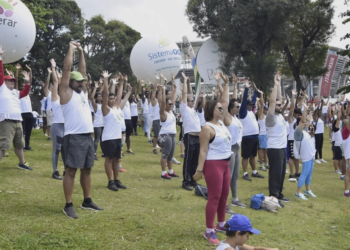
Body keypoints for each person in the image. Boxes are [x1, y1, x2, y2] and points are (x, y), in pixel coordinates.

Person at [59, 41, 103, 219]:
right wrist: (70, 48)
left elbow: (82, 70)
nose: (82, 83)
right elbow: (67, 68)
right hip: (74, 137)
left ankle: (87, 200)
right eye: (78, 81)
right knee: (71, 170)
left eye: (83, 82)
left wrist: (82, 52)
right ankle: (68, 205)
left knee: (87, 169)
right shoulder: (65, 92)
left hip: (87, 137)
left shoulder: (83, 94)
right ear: (70, 81)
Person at [193, 72, 231, 245]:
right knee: (214, 197)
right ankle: (209, 231)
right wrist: (199, 170)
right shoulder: (207, 128)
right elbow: (203, 151)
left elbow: (225, 101)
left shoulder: (221, 123)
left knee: (224, 195)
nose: (221, 109)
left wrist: (226, 83)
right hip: (213, 165)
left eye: (221, 109)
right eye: (218, 108)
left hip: (225, 164)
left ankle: (221, 224)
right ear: (211, 110)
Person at [0, 45, 32, 170]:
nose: (12, 82)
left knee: (19, 144)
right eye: (10, 81)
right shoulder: (2, 88)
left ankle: (22, 162)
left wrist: (27, 82)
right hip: (6, 121)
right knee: (3, 146)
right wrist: (0, 57)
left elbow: (25, 93)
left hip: (18, 121)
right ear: (5, 82)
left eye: (13, 81)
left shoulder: (15, 92)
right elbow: (1, 72)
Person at [101, 72, 127, 191]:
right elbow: (105, 93)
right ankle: (110, 181)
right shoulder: (106, 109)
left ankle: (116, 180)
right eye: (110, 99)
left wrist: (121, 82)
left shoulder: (116, 108)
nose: (112, 100)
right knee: (109, 160)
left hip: (117, 137)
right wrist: (106, 80)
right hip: (108, 138)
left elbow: (120, 94)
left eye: (113, 99)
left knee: (117, 160)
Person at [223, 74, 246, 209]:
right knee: (229, 176)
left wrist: (236, 85)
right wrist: (226, 85)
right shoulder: (227, 118)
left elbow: (234, 99)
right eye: (236, 106)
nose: (238, 108)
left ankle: (235, 198)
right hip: (230, 150)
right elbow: (228, 101)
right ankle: (224, 203)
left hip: (238, 150)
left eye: (238, 106)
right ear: (231, 108)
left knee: (235, 176)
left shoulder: (236, 118)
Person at [266, 72, 288, 207]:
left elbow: (278, 98)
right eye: (278, 105)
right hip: (274, 148)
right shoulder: (271, 118)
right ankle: (274, 195)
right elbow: (273, 101)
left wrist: (279, 83)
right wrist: (274, 84)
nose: (280, 106)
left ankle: (279, 193)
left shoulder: (279, 115)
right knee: (275, 172)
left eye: (281, 105)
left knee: (281, 172)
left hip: (281, 148)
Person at [239, 80, 264, 181]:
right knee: (245, 156)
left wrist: (256, 91)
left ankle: (254, 171)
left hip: (254, 137)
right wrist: (246, 89)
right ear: (246, 105)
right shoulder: (243, 112)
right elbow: (245, 100)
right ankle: (245, 173)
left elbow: (253, 100)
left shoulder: (251, 112)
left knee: (253, 155)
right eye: (249, 104)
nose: (251, 105)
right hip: (247, 137)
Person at [180, 72, 201, 191]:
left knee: (195, 159)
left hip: (197, 137)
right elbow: (184, 94)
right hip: (190, 136)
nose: (192, 101)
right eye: (190, 100)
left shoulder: (192, 110)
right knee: (188, 159)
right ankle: (186, 181)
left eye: (192, 100)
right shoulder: (184, 108)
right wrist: (184, 81)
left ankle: (192, 179)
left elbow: (190, 94)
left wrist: (189, 82)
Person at [294, 109, 317, 200]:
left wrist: (310, 111)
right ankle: (298, 192)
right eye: (304, 123)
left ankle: (307, 190)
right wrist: (305, 111)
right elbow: (303, 121)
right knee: (304, 173)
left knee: (309, 174)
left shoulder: (305, 131)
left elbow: (307, 120)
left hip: (311, 155)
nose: (306, 123)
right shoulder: (298, 132)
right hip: (306, 156)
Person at [157, 80, 179, 180]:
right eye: (169, 104)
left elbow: (173, 99)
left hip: (172, 135)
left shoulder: (170, 112)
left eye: (171, 104)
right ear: (165, 105)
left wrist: (175, 88)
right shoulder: (163, 113)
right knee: (165, 154)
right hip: (165, 135)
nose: (171, 105)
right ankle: (163, 173)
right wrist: (163, 89)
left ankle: (170, 171)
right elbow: (162, 102)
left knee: (171, 155)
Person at [49, 59, 64, 180]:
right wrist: (53, 68)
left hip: (67, 126)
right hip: (57, 126)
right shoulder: (55, 97)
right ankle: (55, 171)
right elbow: (55, 81)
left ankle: (66, 169)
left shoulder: (67, 98)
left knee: (65, 148)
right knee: (57, 148)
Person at [17, 64, 34, 151]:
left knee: (28, 131)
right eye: (22, 86)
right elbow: (16, 83)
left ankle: (27, 145)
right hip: (22, 113)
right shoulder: (19, 94)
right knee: (22, 132)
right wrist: (17, 72)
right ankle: (22, 146)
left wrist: (30, 71)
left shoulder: (27, 93)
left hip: (29, 113)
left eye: (25, 86)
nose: (24, 87)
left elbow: (29, 81)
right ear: (19, 86)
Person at [287, 90, 301, 179]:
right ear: (295, 114)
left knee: (297, 157)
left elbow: (299, 105)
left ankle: (297, 172)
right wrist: (293, 96)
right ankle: (292, 173)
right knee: (292, 157)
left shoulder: (298, 120)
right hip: (291, 140)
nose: (299, 115)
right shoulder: (291, 119)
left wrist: (300, 98)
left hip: (297, 140)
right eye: (298, 114)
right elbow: (292, 108)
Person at [90, 80, 104, 161]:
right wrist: (95, 87)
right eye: (98, 96)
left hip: (103, 124)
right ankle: (94, 154)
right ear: (96, 98)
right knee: (97, 139)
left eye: (100, 96)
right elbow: (91, 97)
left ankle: (103, 153)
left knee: (103, 139)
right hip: (97, 125)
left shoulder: (103, 104)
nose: (100, 97)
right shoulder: (95, 106)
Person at [256, 88, 268, 171]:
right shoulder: (260, 115)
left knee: (266, 150)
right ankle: (261, 164)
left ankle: (266, 163)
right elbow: (262, 104)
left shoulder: (266, 116)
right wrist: (261, 94)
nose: (266, 110)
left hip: (266, 135)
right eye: (265, 109)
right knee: (261, 150)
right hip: (261, 135)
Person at [312, 96, 327, 164]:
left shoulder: (320, 118)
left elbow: (320, 110)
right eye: (319, 112)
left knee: (320, 146)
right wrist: (318, 105)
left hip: (321, 133)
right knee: (317, 146)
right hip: (317, 134)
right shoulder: (315, 118)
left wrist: (321, 103)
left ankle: (321, 158)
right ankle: (316, 158)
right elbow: (318, 111)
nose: (320, 112)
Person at [43, 67, 53, 141]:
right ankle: (49, 136)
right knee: (49, 124)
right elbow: (46, 84)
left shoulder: (56, 93)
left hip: (56, 110)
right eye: (51, 86)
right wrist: (49, 74)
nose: (52, 87)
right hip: (49, 110)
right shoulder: (48, 93)